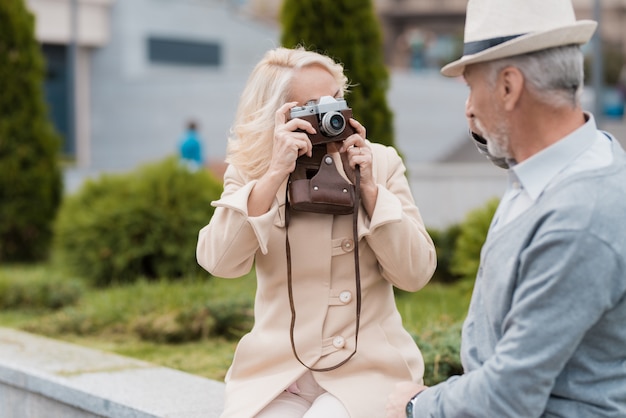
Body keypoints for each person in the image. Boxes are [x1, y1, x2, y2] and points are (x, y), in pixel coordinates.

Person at [386, 0, 626, 417]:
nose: (469, 107)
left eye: (470, 86)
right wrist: (494, 126)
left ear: (509, 87)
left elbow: (508, 398)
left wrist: (415, 405)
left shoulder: (579, 218)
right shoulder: (575, 161)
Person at [196, 46, 437, 417]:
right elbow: (219, 262)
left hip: (366, 368)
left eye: (335, 101)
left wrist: (371, 190)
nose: (330, 117)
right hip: (277, 371)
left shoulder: (380, 161)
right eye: (313, 107)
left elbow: (416, 274)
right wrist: (274, 174)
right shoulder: (254, 169)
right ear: (279, 116)